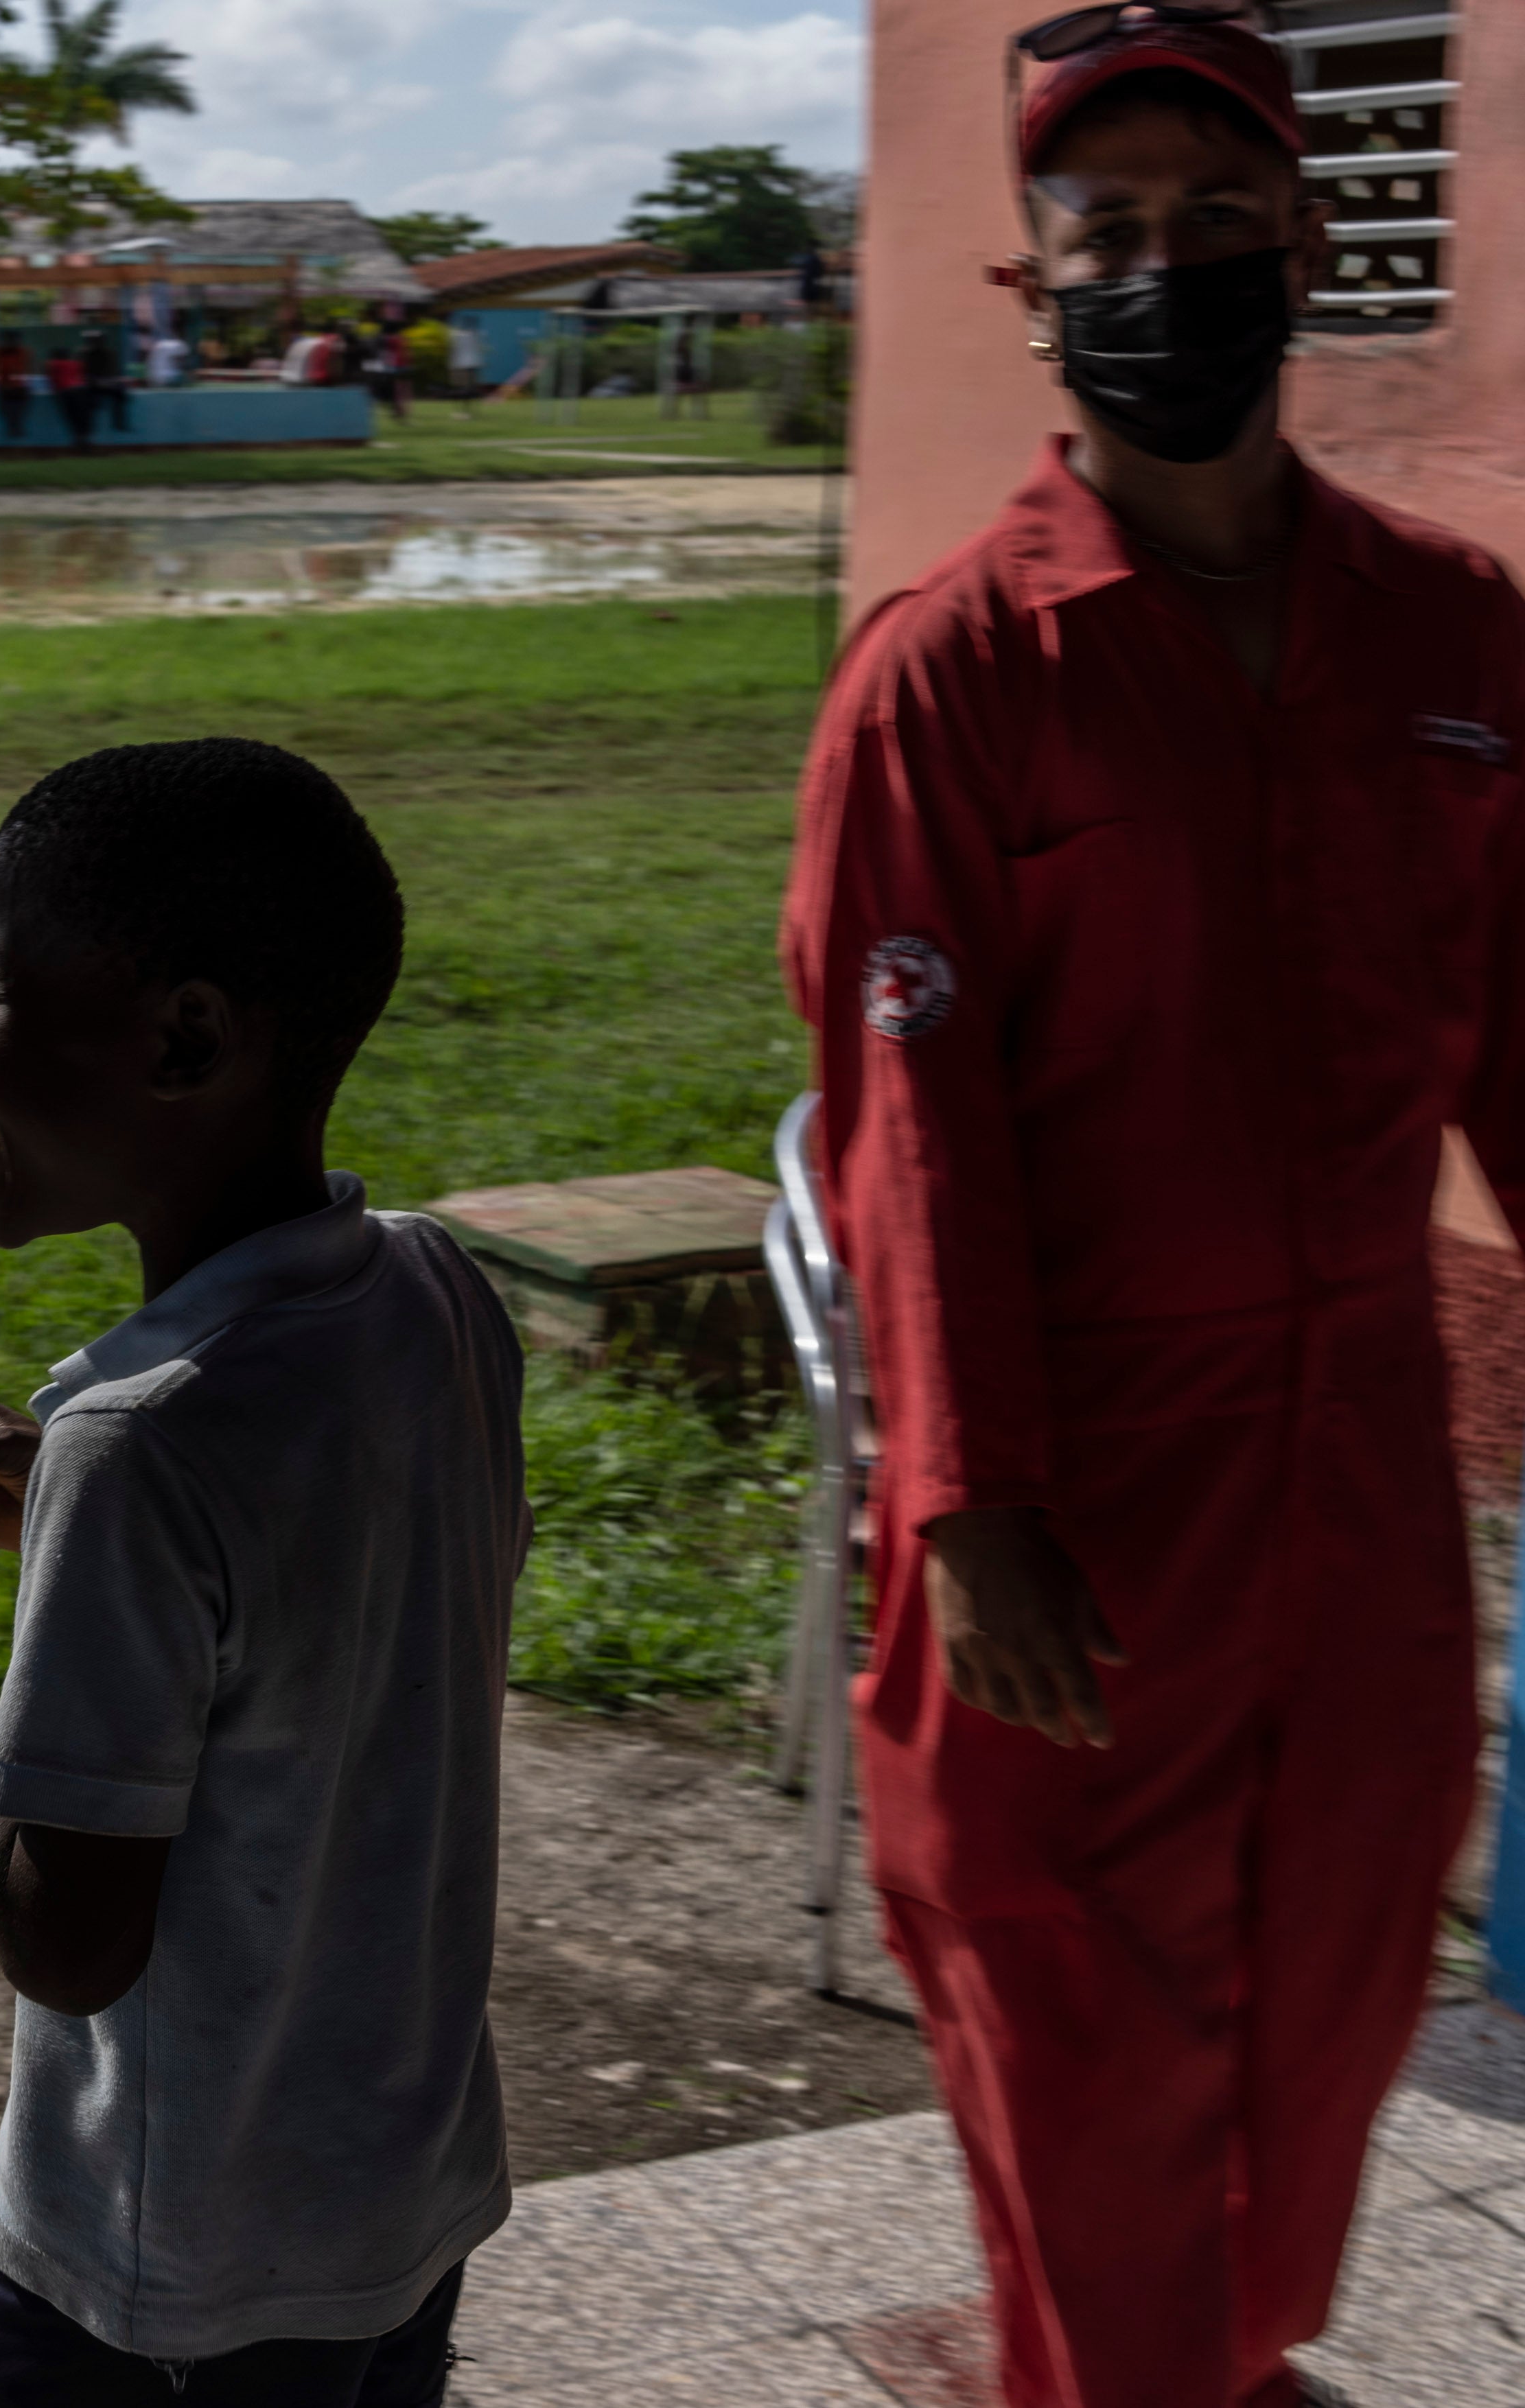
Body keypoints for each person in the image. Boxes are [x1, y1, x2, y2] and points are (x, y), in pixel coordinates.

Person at [783, 16, 1525, 2406]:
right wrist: (968, 1500)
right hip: (1077, 1468)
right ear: (1032, 283)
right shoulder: (953, 679)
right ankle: (1125, 2369)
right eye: (1112, 234)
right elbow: (914, 1122)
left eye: (1221, 221)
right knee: (1080, 2003)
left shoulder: (1455, 638)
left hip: (1363, 1460)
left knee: (1338, 1962)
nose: (1170, 271)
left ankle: (1203, 2350)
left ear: (1309, 242)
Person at [0, 738, 525, 2407]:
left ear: (185, 1038)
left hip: (154, 2274)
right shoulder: (431, 1300)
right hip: (393, 2205)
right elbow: (304, 1593)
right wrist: (11, 1495)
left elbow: (67, 1933)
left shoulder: (141, 1445)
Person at [0, 329, 36, 439]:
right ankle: (14, 425)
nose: (12, 343)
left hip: (17, 385)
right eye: (9, 340)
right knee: (4, 398)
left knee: (22, 396)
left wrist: (15, 383)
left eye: (14, 341)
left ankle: (14, 425)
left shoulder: (22, 352)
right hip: (4, 385)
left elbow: (24, 369)